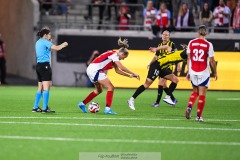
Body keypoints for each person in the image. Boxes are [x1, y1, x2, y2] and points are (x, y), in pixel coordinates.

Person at [78, 38, 140, 115]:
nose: (123, 59)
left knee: (99, 90)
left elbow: (118, 70)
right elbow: (122, 67)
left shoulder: (112, 55)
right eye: (124, 57)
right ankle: (107, 109)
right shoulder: (114, 55)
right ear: (122, 54)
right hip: (95, 70)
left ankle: (82, 103)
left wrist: (129, 75)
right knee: (111, 87)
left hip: (91, 69)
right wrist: (134, 73)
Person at [127, 36, 186, 111]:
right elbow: (166, 46)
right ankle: (131, 100)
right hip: (157, 65)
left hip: (163, 68)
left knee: (175, 79)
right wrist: (156, 49)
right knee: (147, 84)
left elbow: (167, 47)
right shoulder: (182, 54)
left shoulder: (176, 53)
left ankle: (168, 97)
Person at [185, 25, 218, 122]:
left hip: (193, 70)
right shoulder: (208, 44)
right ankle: (199, 116)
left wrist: (188, 71)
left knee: (195, 92)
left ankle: (189, 107)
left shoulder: (191, 42)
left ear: (198, 32)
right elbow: (212, 61)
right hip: (203, 72)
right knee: (202, 94)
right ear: (206, 33)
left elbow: (188, 58)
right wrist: (215, 72)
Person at [32, 27, 68, 113]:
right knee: (46, 87)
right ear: (45, 35)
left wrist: (50, 43)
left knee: (40, 88)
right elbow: (56, 48)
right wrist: (63, 44)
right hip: (45, 66)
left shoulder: (38, 42)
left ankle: (35, 107)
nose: (50, 35)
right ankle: (45, 108)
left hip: (39, 66)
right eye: (49, 34)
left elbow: (48, 50)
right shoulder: (45, 42)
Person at [150, 30, 179, 107]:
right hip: (161, 67)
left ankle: (157, 102)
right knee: (164, 86)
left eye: (167, 35)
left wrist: (178, 65)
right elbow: (156, 56)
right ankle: (173, 99)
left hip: (168, 67)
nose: (165, 36)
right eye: (164, 34)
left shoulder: (172, 44)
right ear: (161, 35)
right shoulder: (159, 45)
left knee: (161, 82)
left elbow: (177, 55)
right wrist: (150, 64)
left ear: (169, 37)